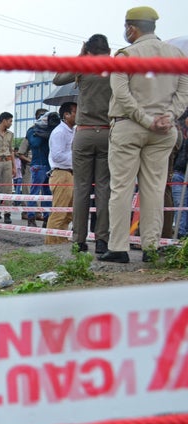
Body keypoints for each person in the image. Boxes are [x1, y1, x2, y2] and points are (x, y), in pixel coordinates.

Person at [99, 6, 188, 263]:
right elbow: (183, 94)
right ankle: (151, 247)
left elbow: (122, 95)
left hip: (129, 127)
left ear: (131, 27)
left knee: (122, 188)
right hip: (164, 131)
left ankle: (118, 248)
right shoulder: (177, 56)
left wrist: (146, 119)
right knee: (155, 189)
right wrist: (167, 118)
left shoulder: (126, 55)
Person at [54, 34, 112, 254]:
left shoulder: (83, 67)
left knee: (81, 189)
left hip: (85, 133)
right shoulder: (116, 68)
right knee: (104, 189)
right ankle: (103, 240)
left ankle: (79, 240)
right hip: (107, 132)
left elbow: (58, 78)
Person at [45, 101, 77, 244]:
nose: (79, 115)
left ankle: (61, 240)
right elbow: (57, 156)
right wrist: (76, 157)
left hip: (70, 174)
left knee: (68, 213)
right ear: (66, 115)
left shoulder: (73, 131)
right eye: (76, 112)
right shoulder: (59, 132)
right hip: (61, 173)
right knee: (59, 212)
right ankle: (51, 243)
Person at [171, 110, 188, 238]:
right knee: (179, 205)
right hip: (179, 173)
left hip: (179, 172)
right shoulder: (180, 132)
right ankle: (179, 234)